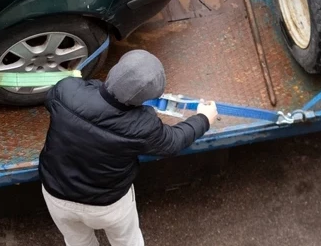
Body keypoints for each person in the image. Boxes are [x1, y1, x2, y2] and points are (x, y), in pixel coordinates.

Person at [39, 50, 218, 246]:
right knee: (127, 241)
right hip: (108, 205)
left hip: (56, 195)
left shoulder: (67, 90)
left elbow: (52, 100)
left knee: (77, 242)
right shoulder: (144, 126)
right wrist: (203, 119)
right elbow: (173, 142)